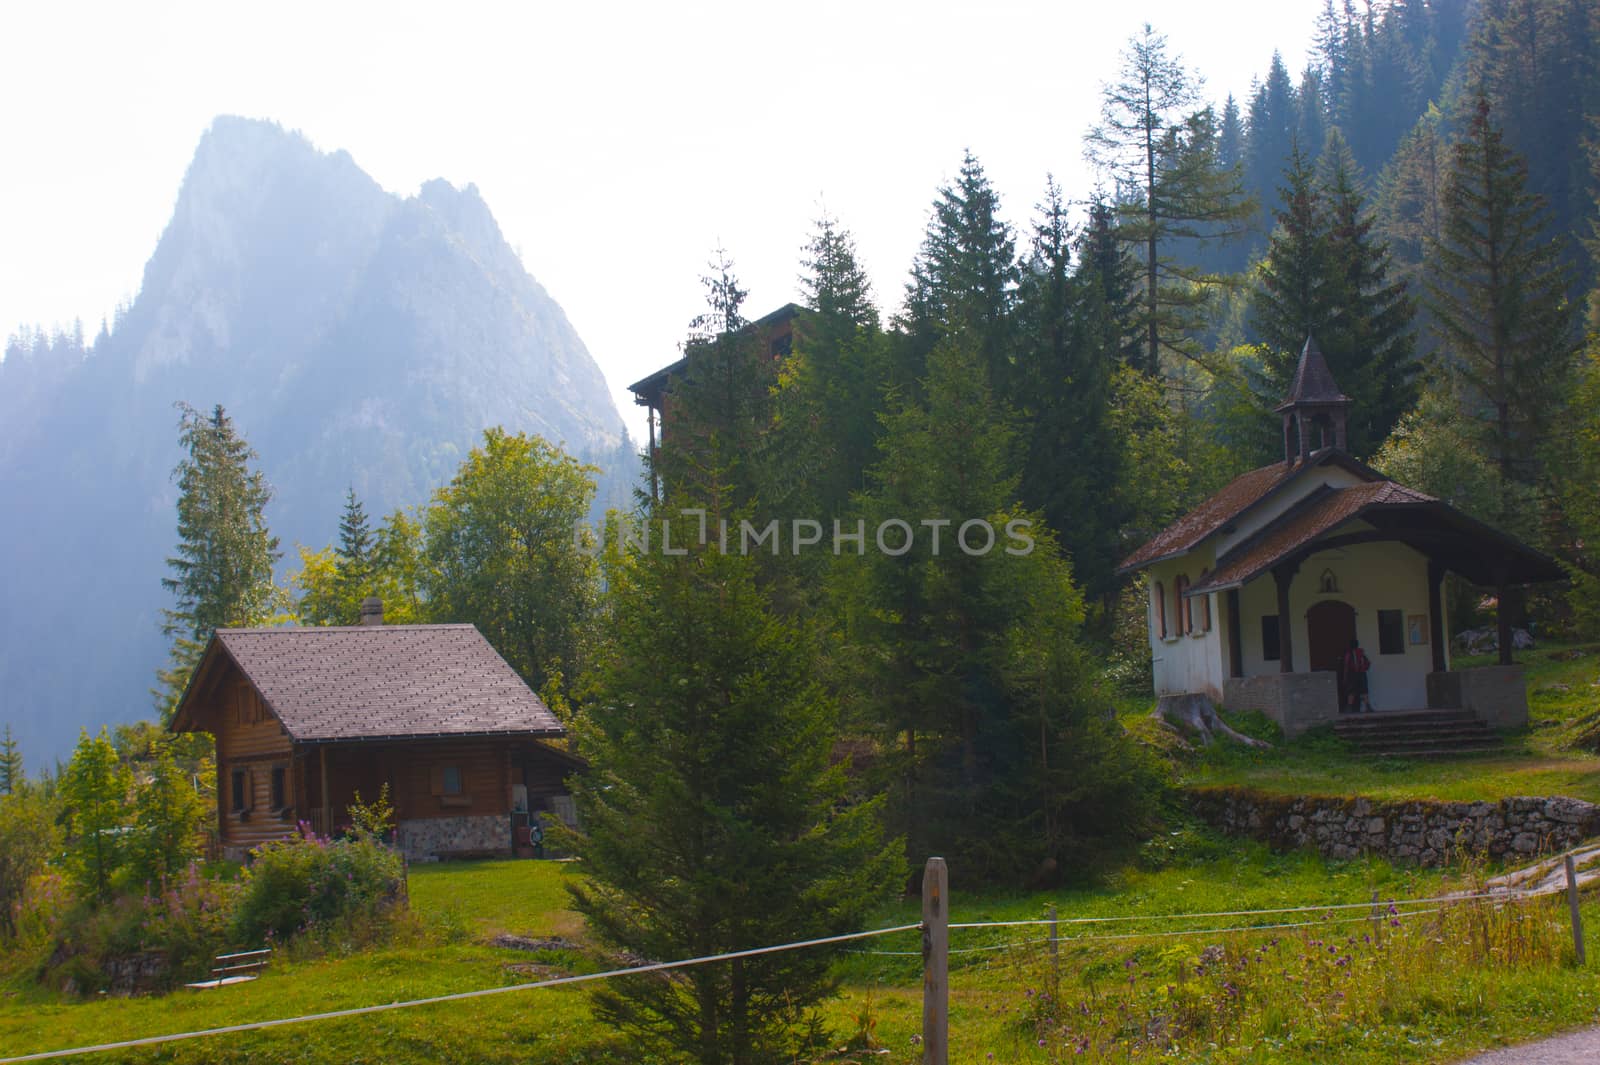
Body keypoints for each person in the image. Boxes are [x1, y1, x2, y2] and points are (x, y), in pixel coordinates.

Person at [1342, 637, 1373, 713]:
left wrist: (1344, 677)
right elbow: (1368, 663)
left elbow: (1346, 665)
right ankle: (1368, 707)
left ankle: (1349, 708)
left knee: (1351, 691)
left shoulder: (1348, 653)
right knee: (1364, 691)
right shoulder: (1361, 652)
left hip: (1352, 674)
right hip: (1362, 674)